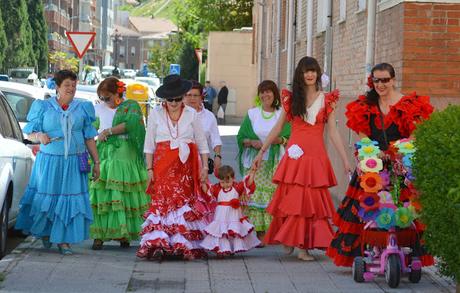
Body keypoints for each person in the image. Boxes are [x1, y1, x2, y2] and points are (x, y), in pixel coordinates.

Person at [326, 62, 434, 267]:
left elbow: (414, 135)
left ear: (393, 80)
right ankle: (367, 254)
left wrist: (396, 152)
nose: (381, 84)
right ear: (372, 81)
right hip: (373, 167)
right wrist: (374, 154)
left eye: (385, 80)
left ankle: (405, 254)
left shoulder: (409, 104)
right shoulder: (365, 105)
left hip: (401, 167)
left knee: (405, 213)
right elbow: (363, 136)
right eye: (376, 80)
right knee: (367, 211)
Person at [252, 57, 351, 260]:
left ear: (317, 73)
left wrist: (345, 159)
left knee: (309, 202)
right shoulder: (291, 98)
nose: (310, 74)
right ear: (300, 74)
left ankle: (302, 246)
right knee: (291, 199)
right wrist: (262, 151)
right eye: (306, 71)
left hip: (315, 156)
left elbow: (333, 132)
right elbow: (278, 128)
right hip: (295, 154)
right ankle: (289, 240)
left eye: (313, 70)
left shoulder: (327, 99)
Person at [15, 69, 100, 255]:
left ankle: (64, 240)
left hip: (75, 162)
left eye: (74, 85)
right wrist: (39, 136)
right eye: (67, 85)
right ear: (57, 87)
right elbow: (29, 132)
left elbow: (89, 138)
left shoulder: (83, 108)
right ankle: (46, 232)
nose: (71, 89)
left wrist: (96, 162)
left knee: (69, 199)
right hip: (50, 161)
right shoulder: (43, 107)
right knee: (49, 197)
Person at [137, 74, 210, 260]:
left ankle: (181, 244)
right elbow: (148, 145)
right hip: (162, 165)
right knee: (163, 203)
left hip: (185, 167)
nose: (175, 102)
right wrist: (149, 169)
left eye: (179, 98)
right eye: (171, 99)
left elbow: (202, 143)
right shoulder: (155, 114)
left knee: (182, 203)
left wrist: (204, 168)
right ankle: (160, 244)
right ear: (165, 98)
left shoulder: (192, 114)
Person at [90, 77, 149, 250]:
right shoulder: (98, 108)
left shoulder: (130, 106)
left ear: (118, 93)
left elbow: (130, 124)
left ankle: (124, 235)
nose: (104, 102)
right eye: (102, 98)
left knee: (123, 193)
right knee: (103, 192)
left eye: (107, 98)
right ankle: (99, 235)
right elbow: (91, 128)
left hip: (125, 153)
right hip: (105, 153)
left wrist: (108, 131)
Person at [236, 80, 291, 244]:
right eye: (262, 92)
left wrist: (278, 140)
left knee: (271, 196)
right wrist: (252, 142)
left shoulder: (282, 114)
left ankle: (270, 233)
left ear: (275, 94)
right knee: (254, 195)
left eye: (269, 91)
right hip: (255, 162)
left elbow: (290, 138)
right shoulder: (253, 114)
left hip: (275, 162)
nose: (265, 95)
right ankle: (255, 233)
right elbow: (240, 137)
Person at [200, 165, 260, 255]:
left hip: (234, 214)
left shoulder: (237, 187)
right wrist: (203, 182)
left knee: (234, 230)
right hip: (221, 215)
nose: (225, 184)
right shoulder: (217, 189)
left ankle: (233, 247)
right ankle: (222, 248)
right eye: (222, 182)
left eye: (228, 182)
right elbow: (207, 192)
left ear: (233, 178)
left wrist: (252, 173)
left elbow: (248, 183)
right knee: (222, 231)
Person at [184, 80, 223, 175]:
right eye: (189, 95)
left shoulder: (209, 116)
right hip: (181, 161)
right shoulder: (177, 114)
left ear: (201, 97)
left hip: (202, 162)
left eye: (195, 95)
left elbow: (215, 138)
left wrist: (217, 156)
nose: (192, 98)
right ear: (183, 97)